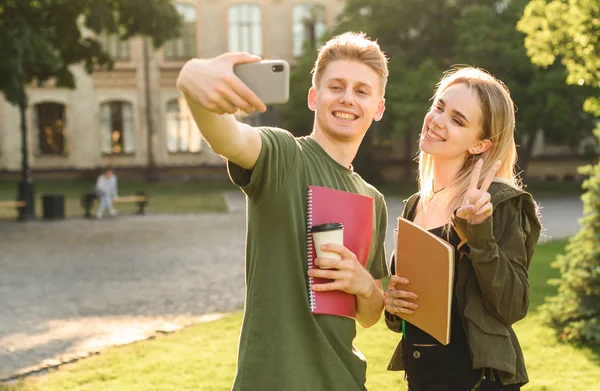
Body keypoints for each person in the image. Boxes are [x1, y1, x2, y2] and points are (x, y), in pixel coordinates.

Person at [176, 32, 389, 390]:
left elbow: (369, 315)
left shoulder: (373, 199)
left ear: (378, 107)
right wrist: (191, 77)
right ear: (313, 97)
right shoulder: (283, 155)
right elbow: (228, 137)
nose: (347, 99)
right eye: (336, 86)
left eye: (362, 90)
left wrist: (364, 285)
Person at [384, 67, 541, 390]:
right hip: (423, 379)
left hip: (477, 381)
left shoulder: (499, 202)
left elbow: (512, 306)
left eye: (457, 120)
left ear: (481, 144)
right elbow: (414, 307)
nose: (438, 120)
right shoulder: (415, 204)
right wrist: (394, 305)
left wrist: (479, 233)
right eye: (439, 107)